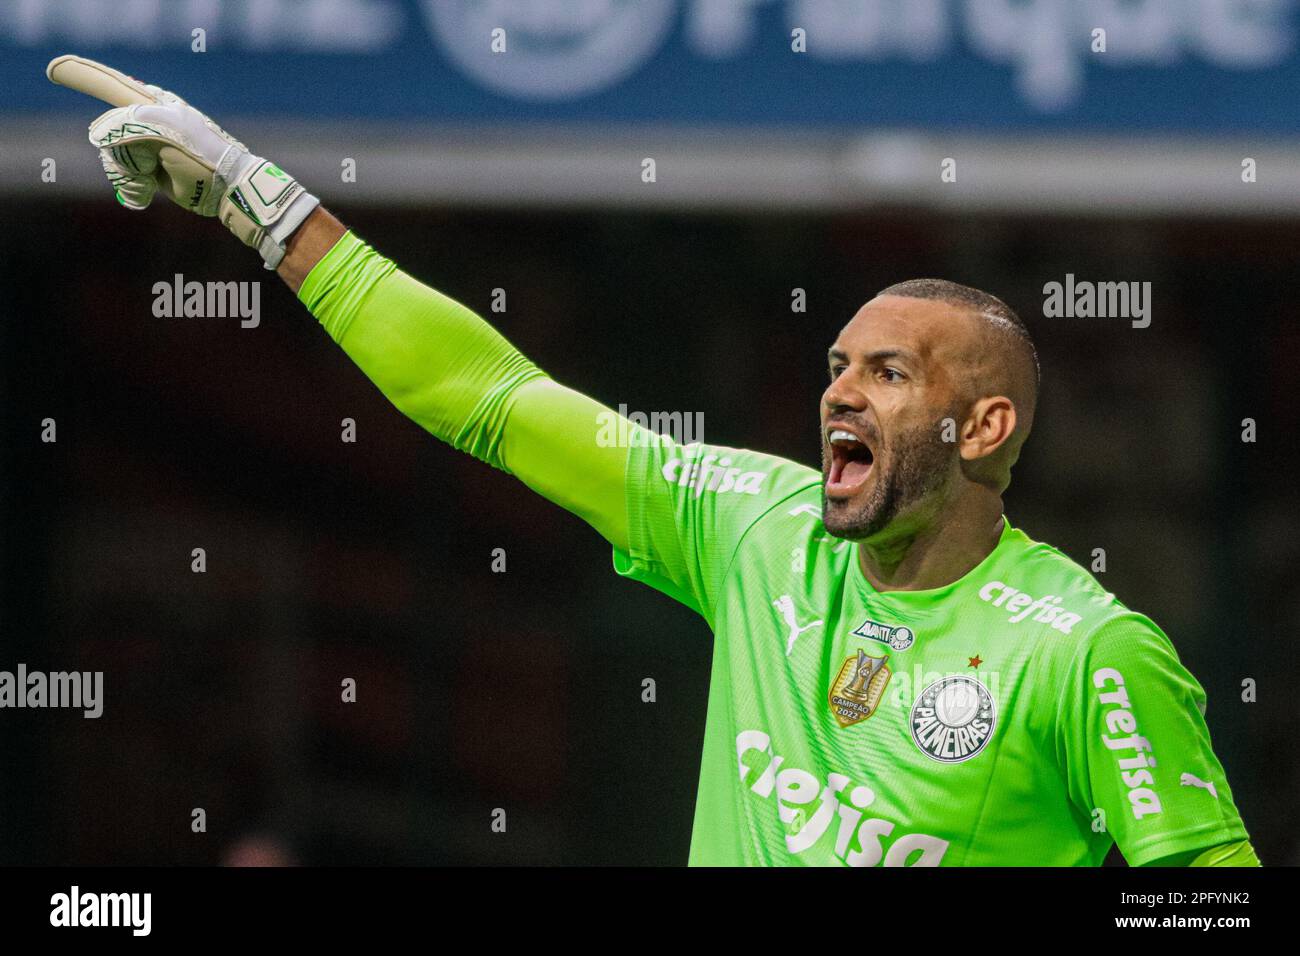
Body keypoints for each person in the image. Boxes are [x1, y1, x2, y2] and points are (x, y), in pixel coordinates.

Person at [53, 56, 1258, 867]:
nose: (840, 388)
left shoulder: (1082, 647)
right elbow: (489, 393)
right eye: (838, 364)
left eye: (890, 373)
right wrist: (259, 205)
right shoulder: (752, 526)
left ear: (983, 430)